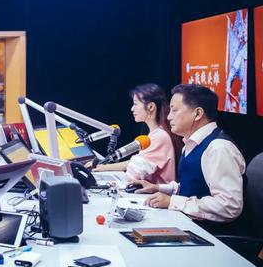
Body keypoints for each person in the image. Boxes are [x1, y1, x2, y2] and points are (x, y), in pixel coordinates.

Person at [133, 84, 246, 226]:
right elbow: (194, 186)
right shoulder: (191, 143)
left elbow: (229, 206)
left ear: (197, 114)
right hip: (188, 223)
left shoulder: (218, 149)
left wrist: (173, 201)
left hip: (208, 233)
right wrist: (158, 188)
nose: (169, 117)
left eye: (174, 110)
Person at [93, 83, 180, 184]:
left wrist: (104, 168)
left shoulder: (159, 137)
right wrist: (104, 167)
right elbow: (136, 162)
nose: (132, 109)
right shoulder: (156, 134)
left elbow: (134, 173)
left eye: (135, 104)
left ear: (151, 106)